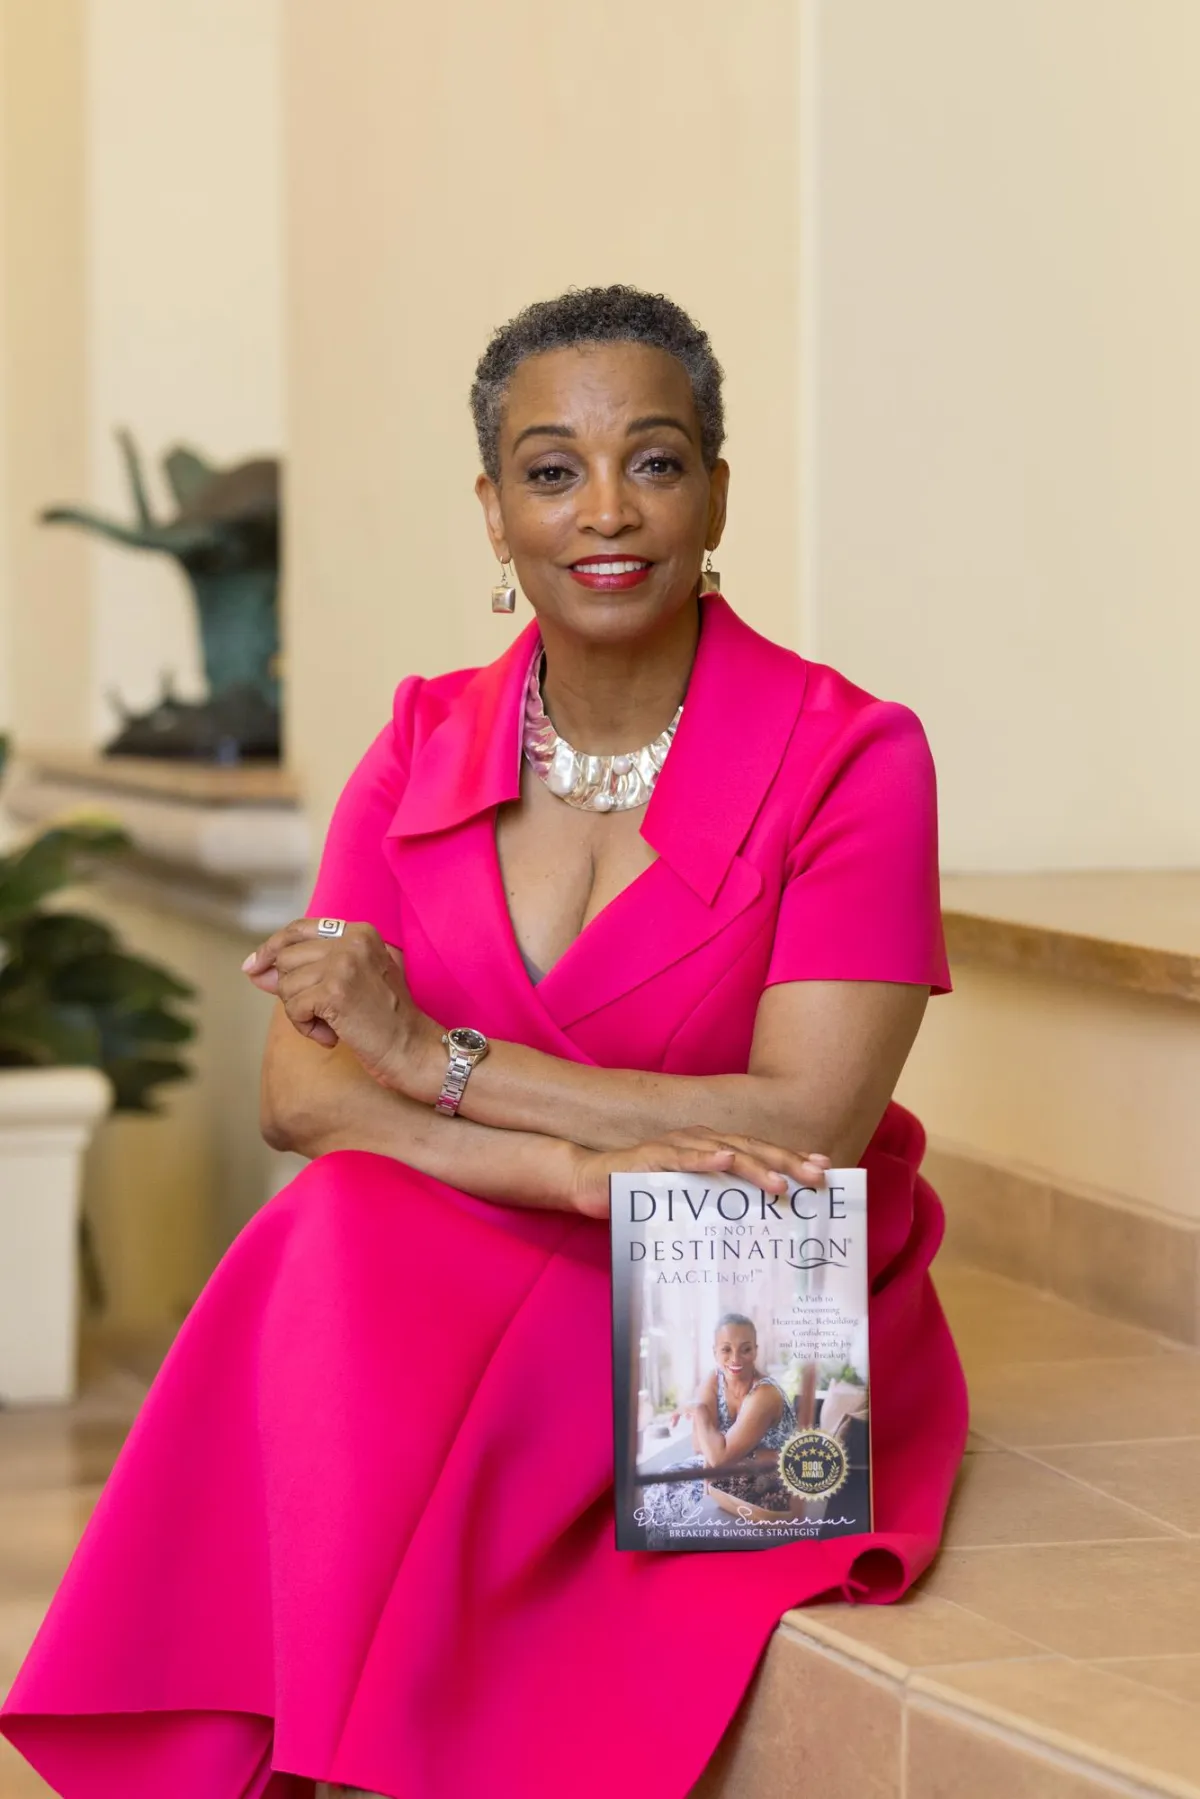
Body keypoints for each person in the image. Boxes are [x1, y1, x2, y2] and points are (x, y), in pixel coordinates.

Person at [1, 285, 968, 1799]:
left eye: (654, 462)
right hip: (496, 1222)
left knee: (369, 1291)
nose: (605, 510)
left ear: (718, 487)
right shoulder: (419, 739)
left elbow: (808, 1124)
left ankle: (335, 1760)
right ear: (493, 506)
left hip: (728, 1281)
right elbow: (304, 1087)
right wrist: (567, 1171)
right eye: (550, 467)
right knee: (331, 1233)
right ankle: (328, 1759)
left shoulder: (854, 755)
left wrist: (434, 1051)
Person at [640, 1314, 799, 1536]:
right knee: (662, 1484)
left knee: (678, 1495)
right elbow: (700, 1445)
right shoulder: (714, 1380)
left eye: (745, 1349)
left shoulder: (765, 1394)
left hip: (771, 1480)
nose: (736, 1359)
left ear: (756, 1350)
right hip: (733, 1473)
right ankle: (662, 1560)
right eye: (726, 1349)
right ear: (714, 1351)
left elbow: (719, 1457)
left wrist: (699, 1410)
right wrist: (709, 1487)